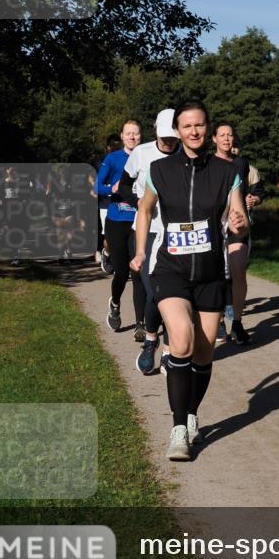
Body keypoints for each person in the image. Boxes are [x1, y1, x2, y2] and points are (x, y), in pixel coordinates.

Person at [130, 101, 248, 460]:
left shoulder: (227, 172)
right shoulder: (159, 170)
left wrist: (240, 222)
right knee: (180, 340)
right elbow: (145, 209)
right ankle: (178, 428)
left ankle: (192, 413)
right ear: (178, 131)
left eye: (199, 125)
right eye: (187, 126)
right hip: (171, 269)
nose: (194, 131)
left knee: (204, 351)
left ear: (207, 129)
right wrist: (140, 250)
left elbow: (239, 214)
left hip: (210, 273)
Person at [117, 109, 180, 375]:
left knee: (175, 296)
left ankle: (168, 350)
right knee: (155, 293)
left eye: (173, 138)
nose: (169, 142)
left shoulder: (186, 155)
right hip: (147, 232)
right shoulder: (141, 153)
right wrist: (139, 202)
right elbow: (123, 186)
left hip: (176, 234)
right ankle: (151, 340)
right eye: (165, 137)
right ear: (156, 131)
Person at [212, 122, 262, 345]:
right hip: (215, 224)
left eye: (230, 135)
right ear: (214, 138)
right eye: (222, 135)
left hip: (237, 223)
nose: (226, 138)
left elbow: (247, 189)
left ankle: (238, 323)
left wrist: (251, 198)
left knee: (238, 271)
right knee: (216, 274)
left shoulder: (241, 163)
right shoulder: (208, 163)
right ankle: (219, 319)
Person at [95, 120, 146, 335]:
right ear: (122, 136)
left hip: (139, 221)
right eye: (128, 133)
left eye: (136, 133)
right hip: (116, 221)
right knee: (122, 272)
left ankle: (140, 324)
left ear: (141, 136)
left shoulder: (146, 156)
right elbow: (96, 187)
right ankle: (115, 304)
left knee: (138, 271)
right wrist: (112, 188)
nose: (132, 137)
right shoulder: (113, 158)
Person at [98, 133, 121, 273]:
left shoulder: (126, 159)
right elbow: (95, 185)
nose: (116, 148)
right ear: (108, 147)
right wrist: (110, 189)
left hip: (122, 203)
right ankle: (107, 253)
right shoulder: (101, 163)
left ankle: (121, 263)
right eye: (113, 146)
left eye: (119, 146)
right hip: (106, 204)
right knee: (109, 237)